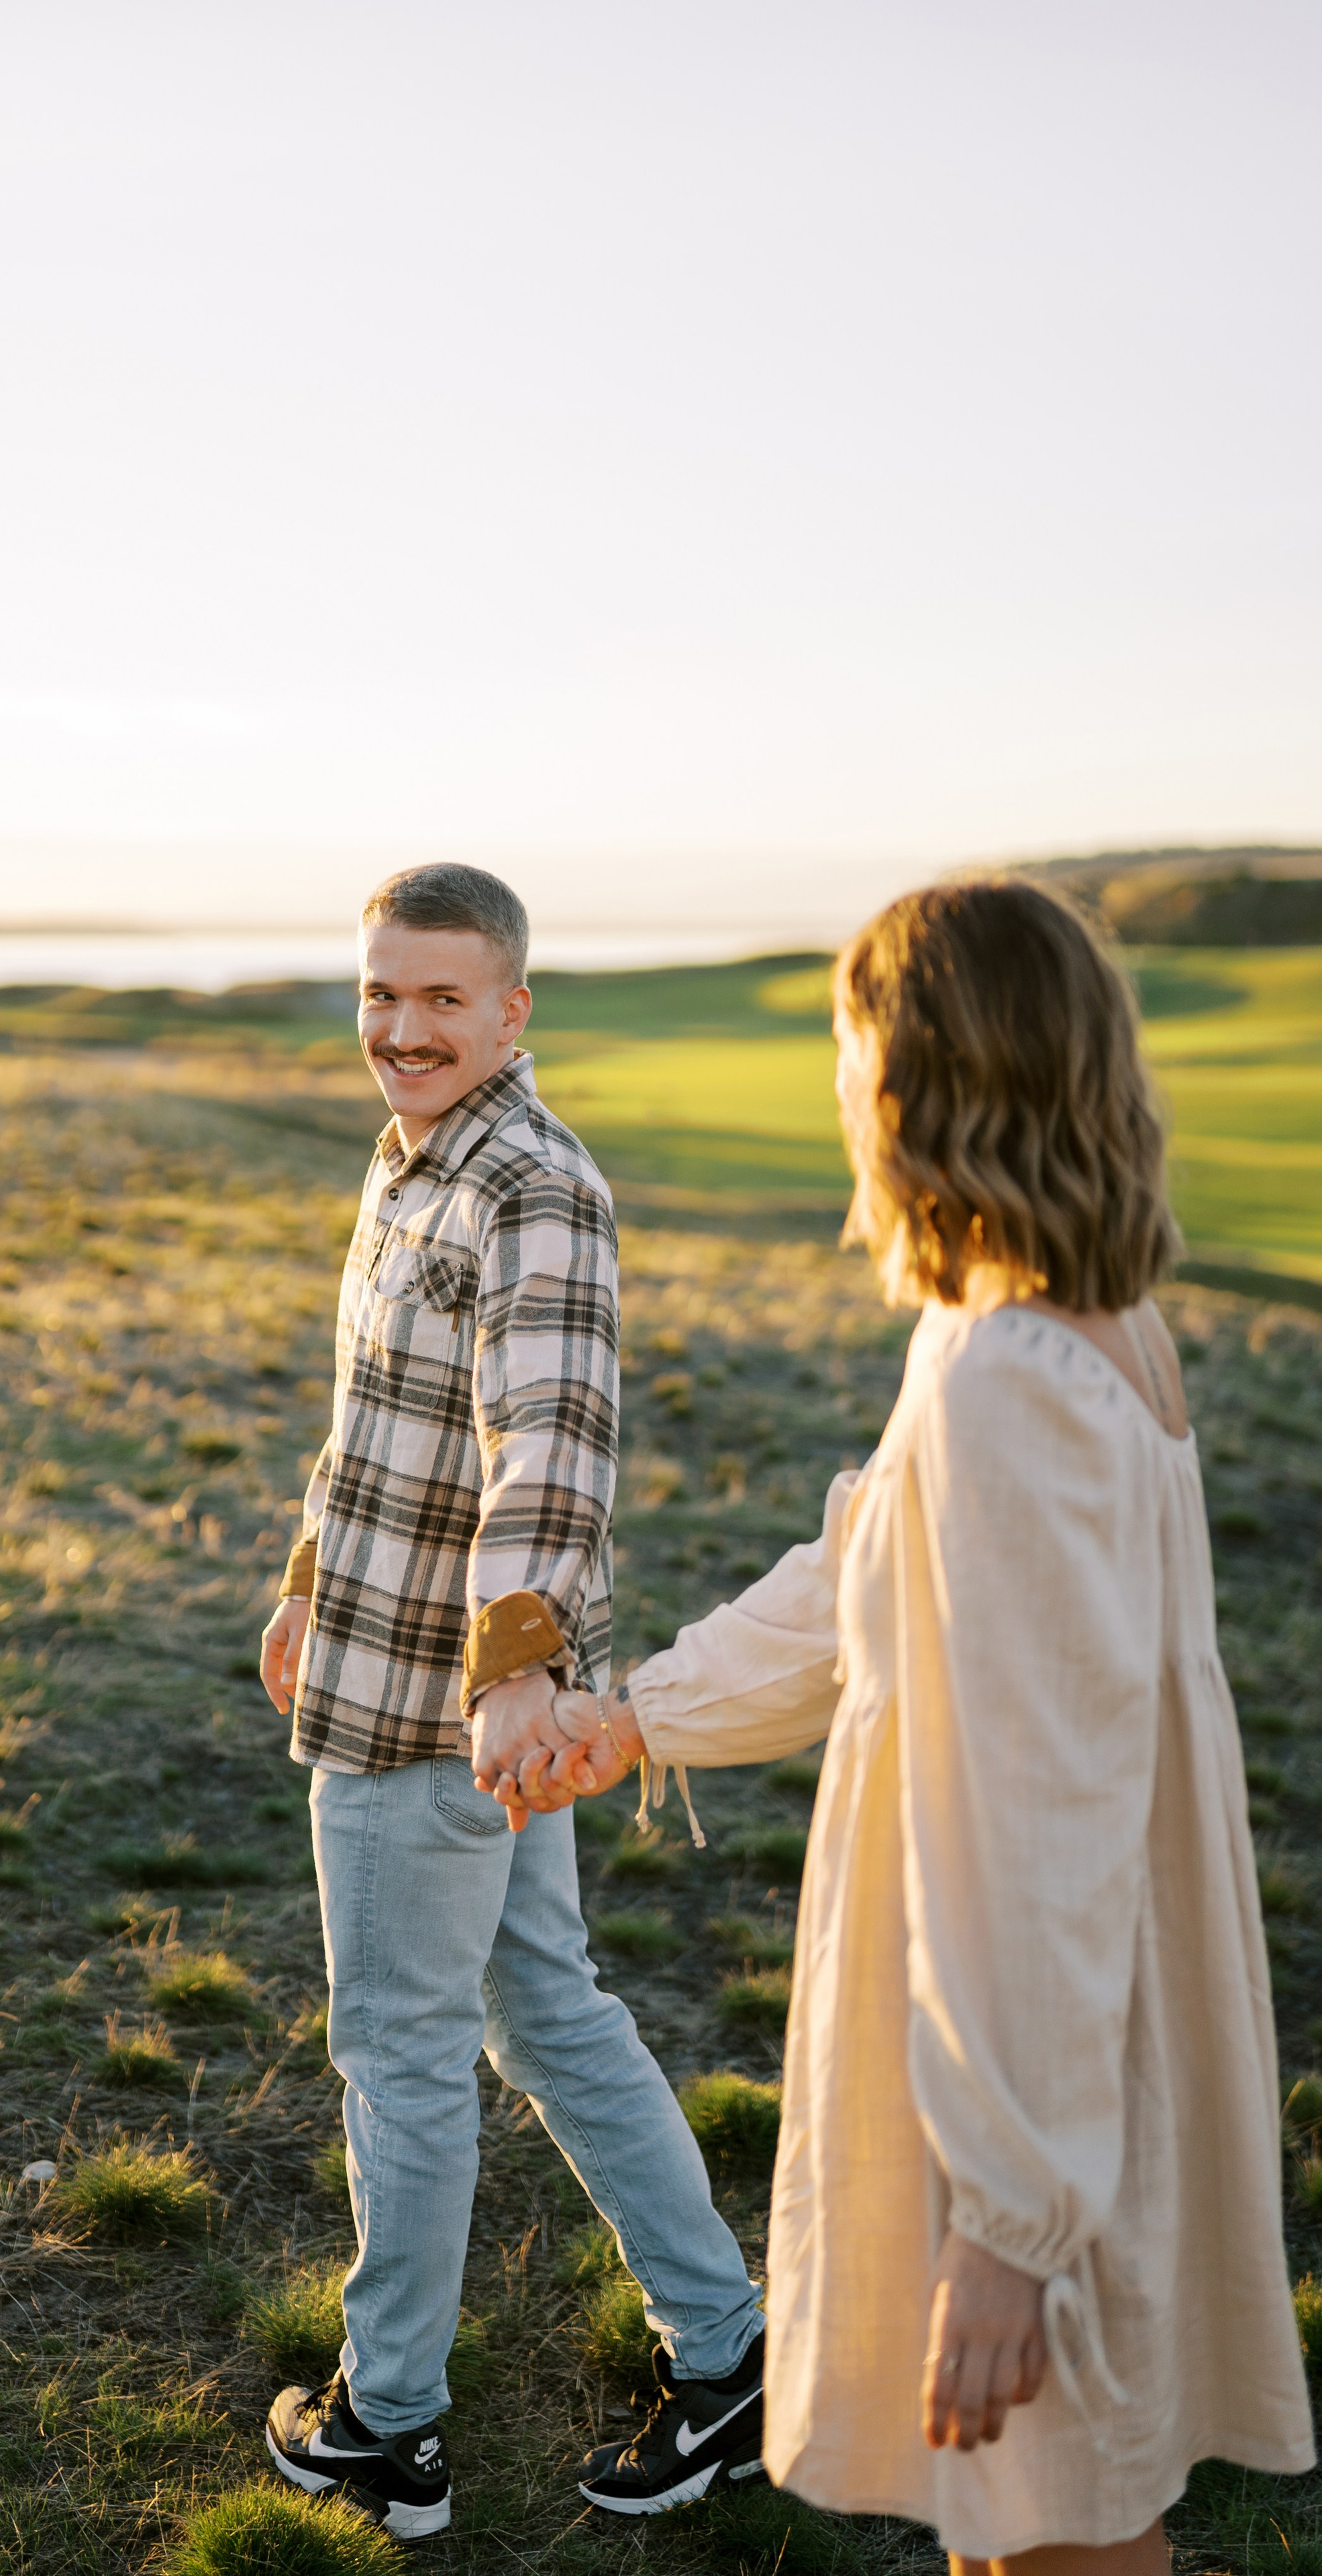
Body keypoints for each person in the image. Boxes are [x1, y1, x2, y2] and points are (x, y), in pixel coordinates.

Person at [480, 881, 1315, 2573]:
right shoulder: (1051, 1332)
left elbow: (1042, 1834)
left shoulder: (1016, 1380)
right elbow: (865, 1561)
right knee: (1032, 2512)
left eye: (855, 1049)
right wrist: (638, 1715)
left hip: (1025, 2068)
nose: (842, 1087)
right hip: (1071, 2051)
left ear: (926, 1082)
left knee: (1045, 2528)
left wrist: (1010, 2224)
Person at [256, 862, 766, 2538]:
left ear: (513, 1010)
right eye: (380, 995)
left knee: (399, 2051)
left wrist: (512, 1675)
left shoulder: (531, 1185)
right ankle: (729, 2345)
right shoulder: (409, 1162)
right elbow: (375, 1416)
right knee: (545, 2012)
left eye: (441, 1000)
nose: (402, 1030)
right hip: (389, 1654)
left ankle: (385, 2424)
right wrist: (300, 1581)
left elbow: (546, 1450)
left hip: (436, 1713)